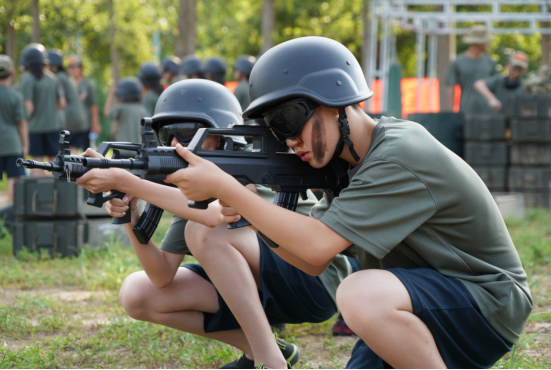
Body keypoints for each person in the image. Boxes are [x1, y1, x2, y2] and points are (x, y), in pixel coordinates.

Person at [167, 36, 533, 369]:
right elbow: (312, 261)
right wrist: (248, 206)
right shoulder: (344, 166)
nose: (289, 139)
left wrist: (229, 191)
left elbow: (317, 244)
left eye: (290, 118)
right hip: (424, 303)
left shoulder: (398, 154)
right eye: (275, 128)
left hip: (487, 302)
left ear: (339, 100)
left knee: (358, 292)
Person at [74, 79, 356, 369]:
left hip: (315, 283)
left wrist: (127, 181)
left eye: (184, 132)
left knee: (205, 232)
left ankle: (269, 363)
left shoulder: (249, 163)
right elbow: (161, 276)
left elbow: (216, 217)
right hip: (256, 286)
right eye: (166, 134)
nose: (174, 144)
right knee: (137, 293)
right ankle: (263, 349)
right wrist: (131, 214)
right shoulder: (190, 183)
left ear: (220, 134)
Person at [19, 43, 66, 177]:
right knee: (53, 161)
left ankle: (40, 195)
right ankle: (56, 193)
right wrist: (49, 109)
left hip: (35, 128)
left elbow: (29, 108)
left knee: (37, 162)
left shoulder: (26, 78)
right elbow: (62, 103)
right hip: (53, 126)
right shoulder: (52, 77)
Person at [446, 25, 498, 114]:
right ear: (478, 42)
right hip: (466, 111)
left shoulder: (490, 62)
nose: (488, 43)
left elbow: (497, 86)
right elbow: (451, 88)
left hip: (488, 111)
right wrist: (451, 113)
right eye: (486, 41)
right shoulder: (458, 62)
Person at [0, 55, 28, 203]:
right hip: (12, 143)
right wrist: (25, 144)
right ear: (12, 73)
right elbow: (22, 123)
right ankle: (11, 215)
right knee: (13, 179)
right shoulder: (16, 96)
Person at [47, 49, 87, 154]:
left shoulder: (58, 78)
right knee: (72, 153)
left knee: (67, 156)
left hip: (70, 121)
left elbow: (60, 101)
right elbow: (82, 94)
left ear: (53, 66)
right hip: (80, 120)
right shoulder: (66, 76)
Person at [103, 77, 148, 154]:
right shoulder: (143, 109)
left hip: (123, 151)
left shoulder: (121, 108)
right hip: (139, 152)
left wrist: (111, 95)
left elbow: (107, 112)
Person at [66, 54, 102, 149]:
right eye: (70, 67)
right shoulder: (65, 84)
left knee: (88, 151)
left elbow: (93, 106)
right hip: (69, 124)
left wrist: (95, 125)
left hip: (85, 124)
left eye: (75, 67)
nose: (72, 70)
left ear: (80, 68)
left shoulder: (87, 85)